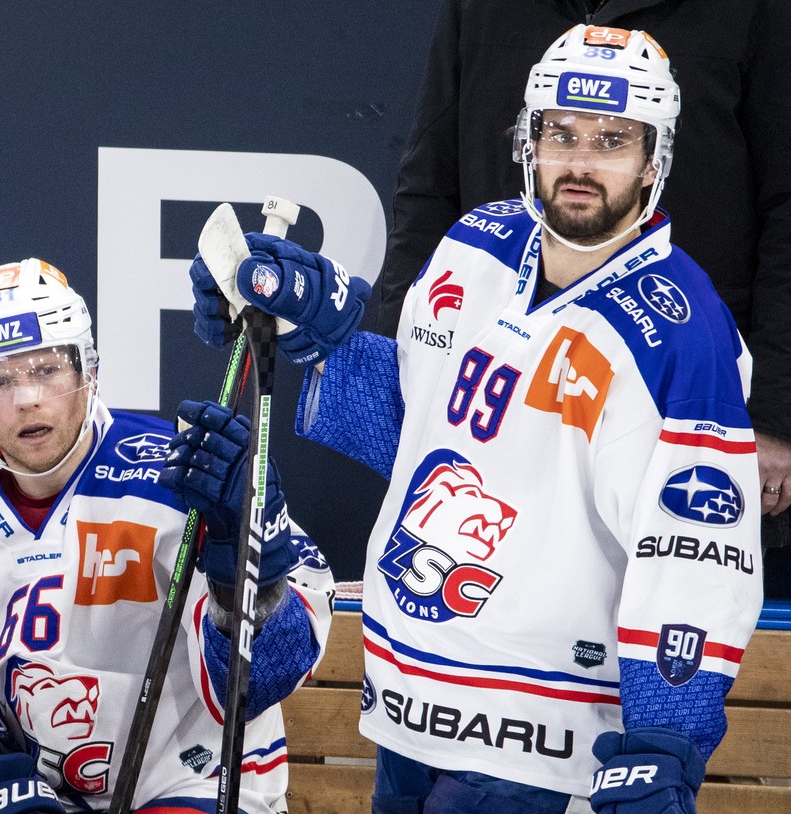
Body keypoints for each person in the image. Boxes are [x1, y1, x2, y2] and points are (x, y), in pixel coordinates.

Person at [189, 26, 761, 812]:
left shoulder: (683, 335)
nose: (581, 162)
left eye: (612, 140)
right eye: (561, 133)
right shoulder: (476, 246)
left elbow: (695, 556)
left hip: (542, 740)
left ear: (653, 158)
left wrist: (667, 738)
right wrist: (313, 325)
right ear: (529, 140)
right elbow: (419, 429)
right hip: (409, 707)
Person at [0, 259, 335, 814]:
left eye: (46, 369)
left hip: (195, 785)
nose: (27, 398)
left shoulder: (186, 481)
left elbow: (265, 679)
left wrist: (246, 570)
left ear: (87, 370)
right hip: (42, 795)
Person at [371, 0, 791, 526]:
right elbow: (428, 185)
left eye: (610, 141)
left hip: (674, 384)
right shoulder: (478, 8)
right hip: (489, 379)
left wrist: (774, 413)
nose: (582, 160)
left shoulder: (758, 11)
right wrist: (396, 361)